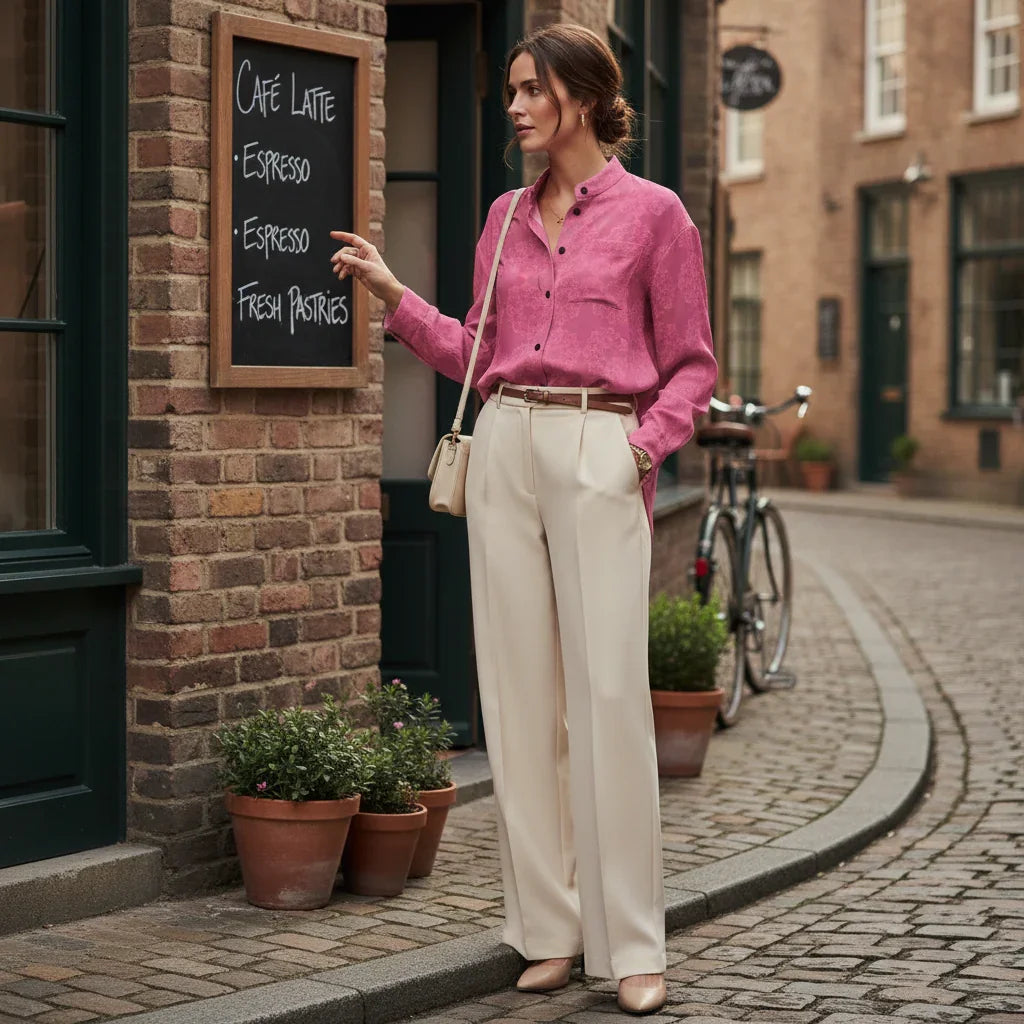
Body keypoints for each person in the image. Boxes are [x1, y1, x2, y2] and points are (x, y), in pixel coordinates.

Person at [330, 23, 717, 1016]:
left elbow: (693, 367)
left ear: (582, 97)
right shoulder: (502, 217)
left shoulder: (655, 215)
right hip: (504, 446)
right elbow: (474, 351)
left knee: (608, 703)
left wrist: (637, 448)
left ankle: (630, 945)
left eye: (529, 88)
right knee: (516, 698)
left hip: (598, 445)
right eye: (507, 89)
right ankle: (546, 928)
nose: (513, 106)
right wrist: (391, 292)